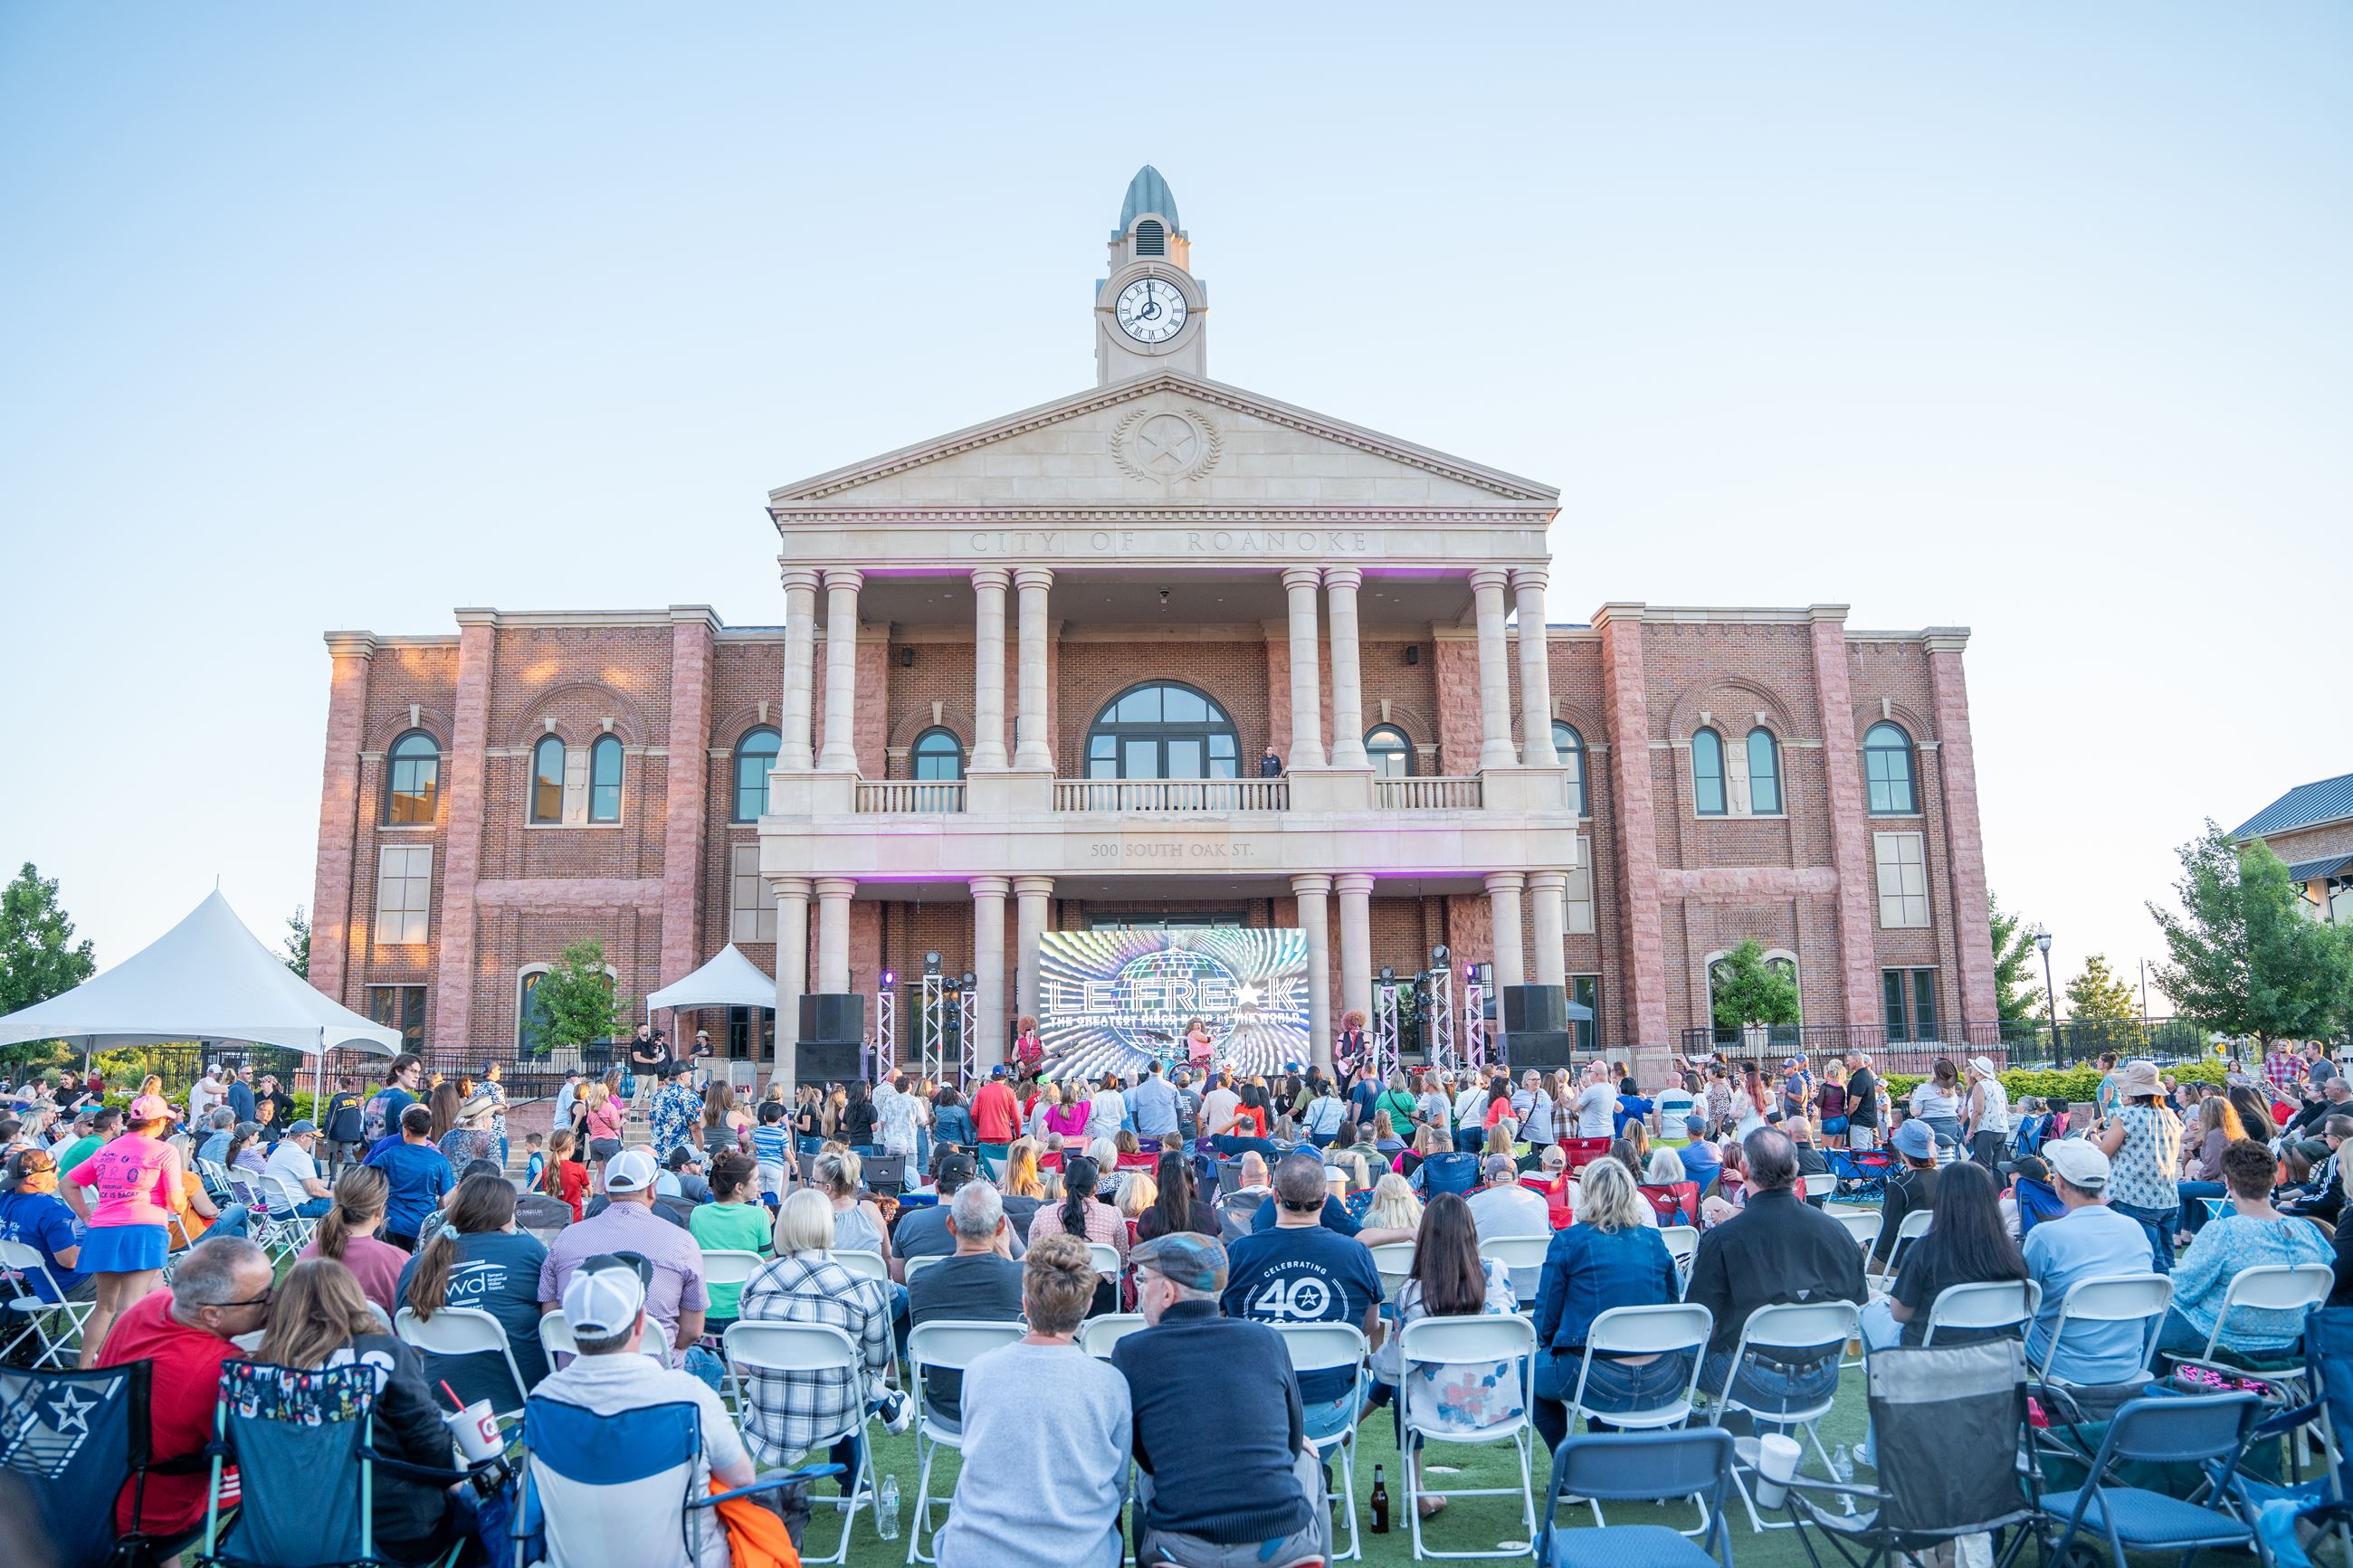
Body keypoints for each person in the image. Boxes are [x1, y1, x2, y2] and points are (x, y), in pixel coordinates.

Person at [1115, 1231, 1328, 1567]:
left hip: (1183, 1546)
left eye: (1144, 1279)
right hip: (1278, 1543)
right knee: (1308, 1457)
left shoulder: (1131, 1351)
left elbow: (1145, 1455)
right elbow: (1290, 1439)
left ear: (1167, 1292)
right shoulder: (1266, 1339)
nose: (1141, 1288)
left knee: (1145, 1478)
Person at [256, 1257, 480, 1564]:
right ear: (351, 1297)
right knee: (484, 1516)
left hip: (292, 1527)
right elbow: (429, 1440)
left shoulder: (259, 1371)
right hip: (392, 1530)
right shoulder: (384, 1353)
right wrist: (458, 1486)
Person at [535, 1253, 753, 1568]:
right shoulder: (688, 1397)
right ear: (641, 1322)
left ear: (569, 1325)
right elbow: (742, 1480)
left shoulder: (543, 1402)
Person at [935, 1231, 1132, 1566]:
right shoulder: (1109, 1383)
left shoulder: (980, 1370)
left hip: (976, 1553)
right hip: (1079, 1555)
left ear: (1025, 1303)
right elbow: (1118, 1486)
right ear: (1086, 1307)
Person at [94, 1236, 270, 1543]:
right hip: (151, 1511)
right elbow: (261, 1452)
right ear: (212, 1314)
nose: (273, 1302)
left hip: (103, 1479)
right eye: (263, 1297)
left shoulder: (155, 1302)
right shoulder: (222, 1370)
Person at [738, 1189, 910, 1490]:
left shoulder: (756, 1280)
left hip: (767, 1411)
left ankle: (883, 1407)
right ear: (828, 1225)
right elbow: (878, 1359)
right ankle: (855, 1477)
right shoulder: (858, 1285)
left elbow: (748, 1347)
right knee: (857, 1377)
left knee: (849, 1375)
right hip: (835, 1414)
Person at [1685, 1128, 1867, 1414]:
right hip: (1822, 1374)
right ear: (1795, 1169)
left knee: (1681, 1346)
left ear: (1743, 1170)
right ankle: (1771, 1443)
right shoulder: (1836, 1231)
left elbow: (1698, 1320)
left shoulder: (1724, 1238)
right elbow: (1857, 1302)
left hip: (1755, 1377)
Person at [1221, 1153, 1385, 1435]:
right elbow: (1369, 1327)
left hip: (1257, 1407)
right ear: (1324, 1200)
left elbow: (1224, 1326)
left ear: (1274, 1197)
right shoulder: (1355, 1254)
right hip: (1328, 1409)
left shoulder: (1239, 1252)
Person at [1530, 1155, 1683, 1448]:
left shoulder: (1569, 1242)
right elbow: (1671, 1307)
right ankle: (1608, 1461)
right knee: (1587, 1354)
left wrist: (1552, 1344)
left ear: (1586, 1194)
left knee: (1525, 1371)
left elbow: (1546, 1322)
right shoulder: (1653, 1240)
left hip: (1596, 1373)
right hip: (1660, 1374)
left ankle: (1572, 1464)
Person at [538, 1148, 713, 1380]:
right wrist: (666, 1351)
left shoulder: (567, 1238)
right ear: (653, 1189)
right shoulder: (681, 1241)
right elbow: (693, 1331)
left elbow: (550, 1319)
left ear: (607, 1190)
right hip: (656, 1375)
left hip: (576, 1373)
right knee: (711, 1364)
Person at [2156, 1138, 2332, 1359]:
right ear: (2273, 1180)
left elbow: (2182, 1292)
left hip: (2224, 1340)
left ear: (2228, 1182)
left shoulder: (2223, 1232)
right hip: (2288, 1342)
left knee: (2153, 1320)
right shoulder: (2309, 1232)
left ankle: (2159, 1389)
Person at [396, 1172, 551, 1407]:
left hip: (441, 1396)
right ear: (503, 1215)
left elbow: (412, 1339)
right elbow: (549, 1311)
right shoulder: (527, 1249)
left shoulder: (416, 1265)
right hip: (519, 1391)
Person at [2023, 1140, 2167, 1383]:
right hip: (2128, 1362)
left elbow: (2024, 1302)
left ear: (2059, 1183)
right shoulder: (2134, 1230)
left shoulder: (2046, 1236)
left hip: (2062, 1363)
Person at [62, 1093, 186, 1367]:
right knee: (131, 1304)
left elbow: (68, 1183)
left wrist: (87, 1214)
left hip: (104, 1229)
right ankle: (124, 1368)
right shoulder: (165, 1150)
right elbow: (176, 1200)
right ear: (158, 1123)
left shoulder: (107, 1149)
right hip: (143, 1229)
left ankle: (85, 1367)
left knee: (104, 1306)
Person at [1861, 1160, 2028, 1351]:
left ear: (1942, 1197)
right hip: (1992, 1349)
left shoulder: (1925, 1248)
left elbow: (1900, 1314)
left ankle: (1885, 1375)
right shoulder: (2011, 1249)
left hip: (1931, 1351)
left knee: (1871, 1301)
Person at [906, 1180, 1025, 1424]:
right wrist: (1007, 1257)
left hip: (946, 1410)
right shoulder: (1022, 1278)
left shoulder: (920, 1281)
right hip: (1009, 1408)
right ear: (1002, 1226)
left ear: (951, 1225)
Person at [2093, 1059, 2184, 1273]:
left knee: (2147, 1261)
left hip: (2133, 1196)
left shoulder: (2125, 1115)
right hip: (2167, 1196)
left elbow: (2104, 1152)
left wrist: (2094, 1135)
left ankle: (2158, 1302)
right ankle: (2170, 1298)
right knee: (2166, 1259)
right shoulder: (2170, 1115)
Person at [295, 1164, 411, 1320]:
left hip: (316, 1343)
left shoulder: (309, 1252)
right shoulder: (396, 1260)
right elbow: (407, 1324)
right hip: (375, 1343)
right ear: (380, 1210)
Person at [1028, 1154, 1129, 1312]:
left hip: (1054, 1303)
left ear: (1064, 1184)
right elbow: (1121, 1261)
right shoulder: (1112, 1215)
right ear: (1095, 1187)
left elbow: (1033, 1260)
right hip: (1101, 1305)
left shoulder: (1044, 1215)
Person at [686, 1152, 773, 1326]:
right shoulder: (759, 1216)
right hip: (745, 1311)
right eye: (755, 1180)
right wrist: (768, 1225)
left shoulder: (698, 1214)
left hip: (704, 1312)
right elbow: (768, 1265)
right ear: (739, 1188)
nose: (759, 1185)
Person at [0, 1147, 89, 1303]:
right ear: (32, 1179)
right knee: (138, 1270)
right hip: (73, 1285)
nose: (59, 1169)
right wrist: (106, 1247)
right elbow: (69, 1261)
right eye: (53, 1167)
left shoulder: (6, 1200)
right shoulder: (51, 1210)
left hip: (44, 1287)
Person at [366, 1104, 455, 1251]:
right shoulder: (439, 1161)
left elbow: (366, 1175)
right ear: (429, 1131)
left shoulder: (391, 1154)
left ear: (405, 1131)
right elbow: (446, 1198)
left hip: (393, 1223)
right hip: (424, 1224)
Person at [1464, 1151, 1551, 1301]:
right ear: (1519, 1180)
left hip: (1490, 1297)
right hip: (1537, 1294)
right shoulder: (1538, 1201)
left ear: (1486, 1182)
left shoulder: (1473, 1203)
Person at [1872, 1120, 1941, 1271]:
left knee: (1850, 1248)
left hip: (1902, 1259)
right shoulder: (1944, 1178)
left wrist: (1867, 1244)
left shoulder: (1899, 1186)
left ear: (1903, 1151)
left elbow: (1885, 1239)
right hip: (1936, 1254)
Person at [1138, 1147, 1217, 1240]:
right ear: (1191, 1181)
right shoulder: (1208, 1213)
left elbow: (1139, 1250)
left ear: (1161, 1181)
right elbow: (1218, 1248)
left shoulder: (1148, 1216)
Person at [972, 1066, 1019, 1153]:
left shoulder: (981, 1091)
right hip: (1004, 1134)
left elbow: (973, 1114)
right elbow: (1016, 1117)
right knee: (1004, 1163)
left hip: (985, 1134)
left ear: (992, 1077)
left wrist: (981, 1125)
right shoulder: (1009, 1092)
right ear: (1005, 1077)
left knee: (985, 1163)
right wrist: (1018, 1136)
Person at [1843, 1050, 1881, 1149]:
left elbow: (1855, 1102)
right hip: (1868, 1121)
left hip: (1860, 1122)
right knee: (1868, 1154)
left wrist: (1848, 1113)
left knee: (1860, 1154)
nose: (1847, 1063)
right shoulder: (1868, 1074)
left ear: (1856, 1060)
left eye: (1849, 1060)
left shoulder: (1860, 1077)